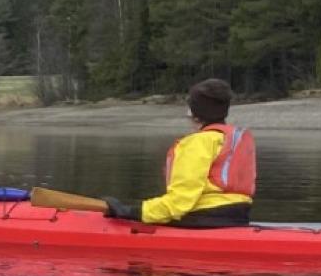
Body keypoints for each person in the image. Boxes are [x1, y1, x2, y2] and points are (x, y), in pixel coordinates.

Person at [104, 79, 255, 228]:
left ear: (194, 113)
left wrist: (133, 211)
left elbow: (181, 201)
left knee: (156, 213)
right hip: (238, 215)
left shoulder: (197, 143)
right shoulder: (232, 140)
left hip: (204, 217)